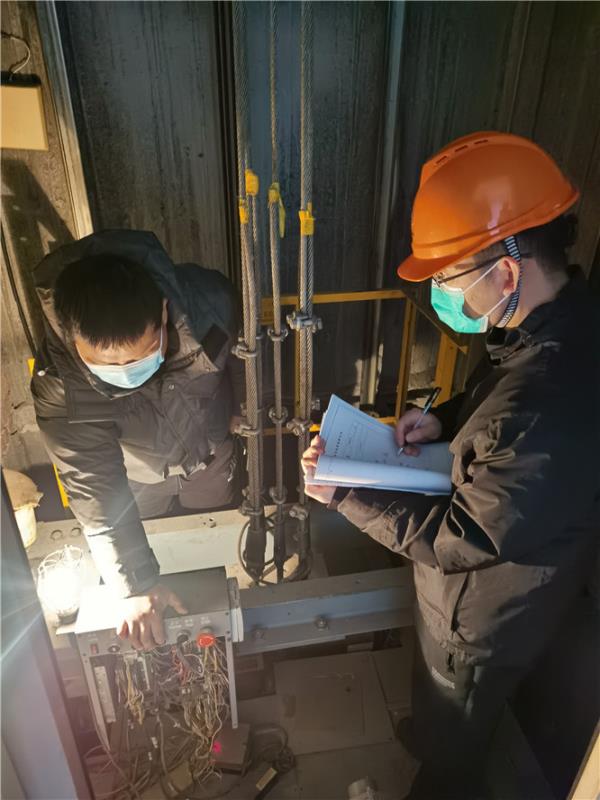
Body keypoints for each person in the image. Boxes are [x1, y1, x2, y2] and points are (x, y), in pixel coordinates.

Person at [302, 132, 600, 799]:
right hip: (483, 595)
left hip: (486, 614)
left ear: (507, 273)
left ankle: (443, 780)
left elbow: (461, 537)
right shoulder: (558, 324)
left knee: (458, 716)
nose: (441, 293)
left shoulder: (551, 406)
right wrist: (449, 418)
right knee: (440, 697)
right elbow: (505, 403)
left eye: (448, 278)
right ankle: (433, 736)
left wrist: (346, 495)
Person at [31, 230, 244, 651]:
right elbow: (94, 484)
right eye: (107, 364)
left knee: (215, 531)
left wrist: (247, 403)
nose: (128, 370)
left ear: (163, 313)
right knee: (158, 536)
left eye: (141, 354)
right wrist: (135, 585)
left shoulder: (210, 303)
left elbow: (246, 351)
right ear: (74, 341)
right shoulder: (61, 386)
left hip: (212, 452)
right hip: (135, 479)